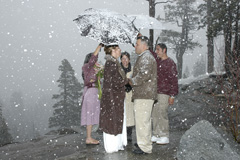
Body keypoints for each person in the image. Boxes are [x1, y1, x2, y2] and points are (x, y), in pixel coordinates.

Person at [129, 36, 157, 154]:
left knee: (142, 121)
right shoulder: (145, 56)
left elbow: (143, 75)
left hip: (144, 95)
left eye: (137, 44)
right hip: (144, 94)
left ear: (144, 46)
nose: (135, 46)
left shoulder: (146, 57)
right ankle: (143, 142)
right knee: (143, 121)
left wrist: (131, 81)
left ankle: (145, 147)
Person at [99, 44, 128, 153]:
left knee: (114, 120)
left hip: (114, 97)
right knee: (112, 121)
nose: (120, 50)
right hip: (113, 98)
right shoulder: (111, 64)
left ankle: (117, 144)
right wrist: (126, 80)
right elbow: (115, 82)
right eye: (118, 48)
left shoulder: (113, 63)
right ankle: (112, 146)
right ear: (113, 50)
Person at [151, 43, 178, 145]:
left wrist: (172, 95)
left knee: (162, 113)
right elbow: (152, 54)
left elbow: (174, 80)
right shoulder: (157, 61)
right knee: (155, 113)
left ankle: (164, 135)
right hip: (155, 92)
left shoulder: (170, 63)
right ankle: (156, 134)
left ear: (164, 50)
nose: (156, 51)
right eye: (156, 49)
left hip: (165, 93)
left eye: (158, 49)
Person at [81, 44, 103, 145]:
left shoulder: (92, 69)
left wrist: (99, 72)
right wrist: (99, 46)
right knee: (89, 114)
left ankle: (90, 137)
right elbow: (93, 59)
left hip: (94, 93)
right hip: (91, 93)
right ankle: (89, 138)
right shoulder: (87, 67)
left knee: (92, 114)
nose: (96, 62)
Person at [120, 52, 134, 142]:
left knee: (130, 114)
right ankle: (122, 133)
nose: (125, 61)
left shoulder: (132, 70)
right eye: (123, 59)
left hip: (130, 94)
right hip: (121, 94)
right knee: (122, 114)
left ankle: (129, 133)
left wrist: (130, 85)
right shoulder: (118, 70)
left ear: (129, 60)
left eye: (126, 59)